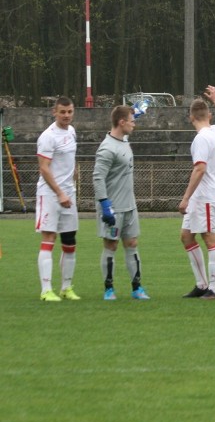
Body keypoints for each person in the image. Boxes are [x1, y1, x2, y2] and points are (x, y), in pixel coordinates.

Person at [180, 86, 215, 300]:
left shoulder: (202, 138)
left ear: (191, 117)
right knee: (186, 236)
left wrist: (185, 197)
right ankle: (201, 284)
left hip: (207, 195)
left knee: (209, 237)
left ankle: (214, 288)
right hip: (202, 196)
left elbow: (199, 169)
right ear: (208, 116)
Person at [93, 105, 150, 300]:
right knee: (111, 246)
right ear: (121, 122)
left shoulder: (123, 138)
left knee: (132, 243)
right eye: (131, 121)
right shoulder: (107, 148)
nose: (134, 124)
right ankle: (109, 288)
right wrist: (104, 203)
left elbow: (127, 124)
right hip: (113, 207)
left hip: (130, 206)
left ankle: (137, 287)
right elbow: (97, 178)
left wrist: (135, 112)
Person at [35, 97, 80, 301]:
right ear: (55, 112)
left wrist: (74, 176)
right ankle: (46, 290)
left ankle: (66, 287)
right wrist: (59, 193)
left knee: (70, 241)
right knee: (49, 238)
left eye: (69, 112)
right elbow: (44, 168)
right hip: (50, 194)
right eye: (62, 112)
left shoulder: (71, 132)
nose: (66, 116)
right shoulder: (48, 136)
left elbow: (69, 159)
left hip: (68, 193)